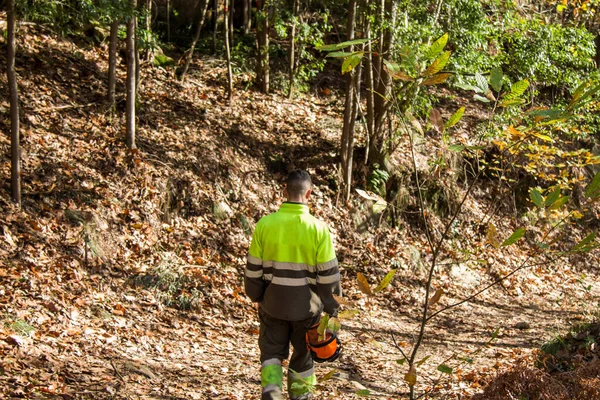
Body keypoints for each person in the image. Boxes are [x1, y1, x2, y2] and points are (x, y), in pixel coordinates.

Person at [245, 169, 342, 400]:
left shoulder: (265, 225)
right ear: (309, 193)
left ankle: (271, 394)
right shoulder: (319, 229)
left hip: (272, 307)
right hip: (307, 311)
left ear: (284, 190)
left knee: (271, 353)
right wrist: (332, 310)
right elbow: (329, 277)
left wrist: (257, 295)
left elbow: (253, 270)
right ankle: (300, 397)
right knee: (303, 356)